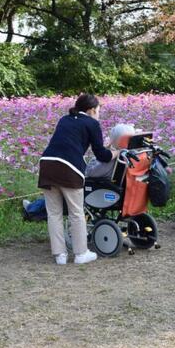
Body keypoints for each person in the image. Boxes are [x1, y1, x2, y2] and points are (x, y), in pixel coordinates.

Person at [38, 94, 117, 265]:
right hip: (69, 169)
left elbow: (69, 142)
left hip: (47, 165)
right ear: (91, 110)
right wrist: (116, 152)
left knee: (54, 213)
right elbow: (102, 156)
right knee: (76, 212)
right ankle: (81, 253)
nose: (98, 115)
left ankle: (60, 255)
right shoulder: (92, 123)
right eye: (98, 111)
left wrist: (105, 147)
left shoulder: (65, 119)